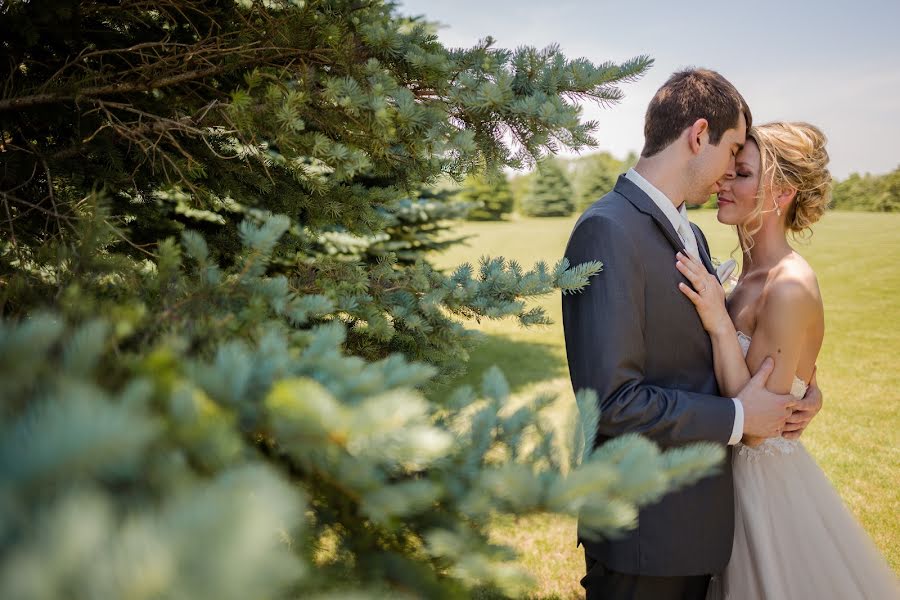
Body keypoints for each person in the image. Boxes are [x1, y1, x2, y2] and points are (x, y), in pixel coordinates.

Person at [561, 68, 824, 600]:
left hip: (700, 528)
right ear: (698, 136)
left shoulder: (693, 232)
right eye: (732, 152)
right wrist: (743, 416)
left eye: (742, 167)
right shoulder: (608, 229)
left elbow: (710, 352)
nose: (729, 172)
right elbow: (611, 402)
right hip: (647, 535)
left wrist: (800, 390)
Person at [674, 121, 899, 599]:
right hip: (718, 481)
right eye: (727, 172)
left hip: (761, 493)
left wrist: (717, 320)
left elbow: (756, 425)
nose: (722, 183)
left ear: (781, 193)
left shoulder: (789, 285)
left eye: (741, 174)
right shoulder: (749, 273)